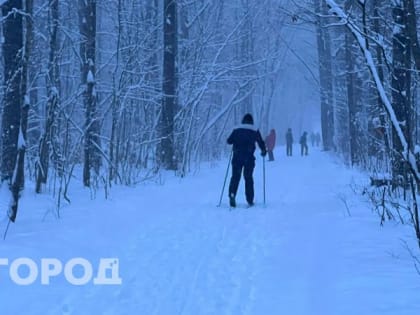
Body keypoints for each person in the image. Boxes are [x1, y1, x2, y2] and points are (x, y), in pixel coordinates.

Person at [227, 113, 266, 207]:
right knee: (248, 178)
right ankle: (250, 200)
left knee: (235, 177)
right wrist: (264, 151)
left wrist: (236, 140)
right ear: (251, 121)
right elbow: (260, 142)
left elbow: (229, 141)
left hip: (237, 157)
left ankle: (232, 194)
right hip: (249, 158)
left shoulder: (237, 129)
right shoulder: (254, 130)